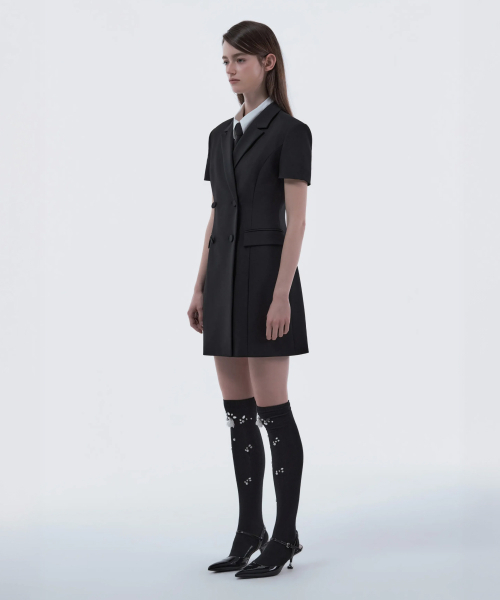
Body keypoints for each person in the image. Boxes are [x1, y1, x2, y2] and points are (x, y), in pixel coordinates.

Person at [187, 20, 312, 579]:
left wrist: (282, 293)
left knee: (272, 411)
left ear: (268, 62)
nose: (231, 70)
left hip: (266, 280)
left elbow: (297, 221)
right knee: (237, 414)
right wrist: (199, 285)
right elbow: (216, 214)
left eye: (240, 59)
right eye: (225, 61)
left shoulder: (291, 132)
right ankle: (249, 530)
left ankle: (285, 536)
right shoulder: (220, 135)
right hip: (223, 278)